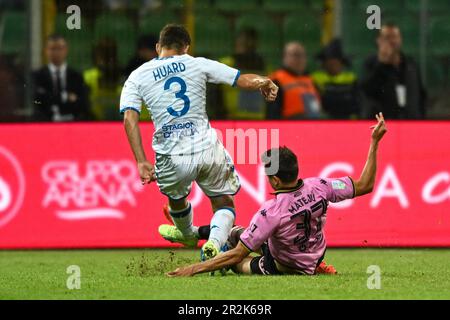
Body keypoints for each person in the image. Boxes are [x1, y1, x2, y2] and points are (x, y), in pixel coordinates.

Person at [120, 24, 278, 261]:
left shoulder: (137, 75)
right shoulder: (197, 63)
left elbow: (129, 119)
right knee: (224, 201)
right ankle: (213, 244)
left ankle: (187, 234)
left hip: (170, 155)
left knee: (176, 199)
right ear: (186, 48)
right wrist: (264, 81)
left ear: (158, 47)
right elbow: (241, 80)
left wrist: (141, 161)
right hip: (206, 148)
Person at [167, 113, 387, 277]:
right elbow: (365, 185)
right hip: (312, 252)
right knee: (235, 233)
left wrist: (192, 269)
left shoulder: (271, 212)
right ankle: (195, 234)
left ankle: (204, 241)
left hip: (285, 265)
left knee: (234, 259)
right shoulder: (320, 185)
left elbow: (238, 255)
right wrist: (375, 142)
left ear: (275, 180)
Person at [361, 23, 427, 119]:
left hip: (411, 122)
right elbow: (366, 91)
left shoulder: (410, 64)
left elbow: (421, 94)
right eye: (387, 37)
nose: (392, 41)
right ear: (379, 41)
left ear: (400, 39)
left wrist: (420, 117)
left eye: (395, 37)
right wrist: (382, 65)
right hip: (382, 124)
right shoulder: (370, 64)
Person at [33, 34, 91, 122]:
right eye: (52, 49)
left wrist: (49, 98)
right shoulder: (37, 76)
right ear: (45, 51)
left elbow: (83, 104)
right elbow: (37, 102)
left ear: (66, 50)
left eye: (60, 48)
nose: (56, 53)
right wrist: (65, 97)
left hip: (73, 124)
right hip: (45, 125)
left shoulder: (76, 76)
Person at [220, 28, 267, 120]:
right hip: (232, 120)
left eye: (248, 43)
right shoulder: (226, 65)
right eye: (243, 42)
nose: (246, 46)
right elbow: (216, 97)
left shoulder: (265, 68)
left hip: (259, 121)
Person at [267, 42, 322, 120]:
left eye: (303, 56)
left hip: (313, 126)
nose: (300, 59)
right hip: (289, 127)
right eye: (296, 55)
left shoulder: (310, 80)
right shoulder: (275, 80)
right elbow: (272, 114)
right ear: (285, 57)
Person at [312, 39, 361, 119]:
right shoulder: (315, 78)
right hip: (324, 120)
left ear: (341, 63)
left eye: (335, 62)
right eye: (330, 62)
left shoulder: (351, 78)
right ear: (324, 63)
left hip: (348, 121)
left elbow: (357, 103)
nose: (332, 65)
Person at [84, 38, 122, 120]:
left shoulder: (123, 77)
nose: (106, 59)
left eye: (109, 55)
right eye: (104, 55)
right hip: (94, 123)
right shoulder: (88, 77)